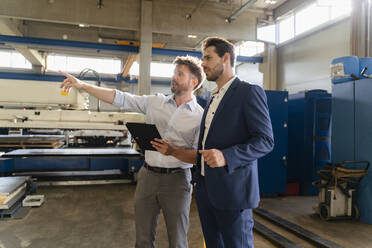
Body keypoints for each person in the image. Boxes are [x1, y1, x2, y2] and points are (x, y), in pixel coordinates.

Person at [59, 55, 204, 248]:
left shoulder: (199, 116)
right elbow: (118, 97)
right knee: (142, 239)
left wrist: (173, 151)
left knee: (177, 240)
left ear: (193, 82)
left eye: (180, 74)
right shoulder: (155, 102)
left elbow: (197, 157)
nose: (174, 77)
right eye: (174, 73)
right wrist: (83, 85)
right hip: (148, 177)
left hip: (177, 181)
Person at [151, 37, 274, 248]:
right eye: (202, 58)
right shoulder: (212, 97)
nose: (203, 63)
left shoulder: (248, 92)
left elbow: (265, 141)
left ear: (226, 58)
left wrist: (227, 156)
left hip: (233, 191)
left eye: (208, 58)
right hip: (207, 189)